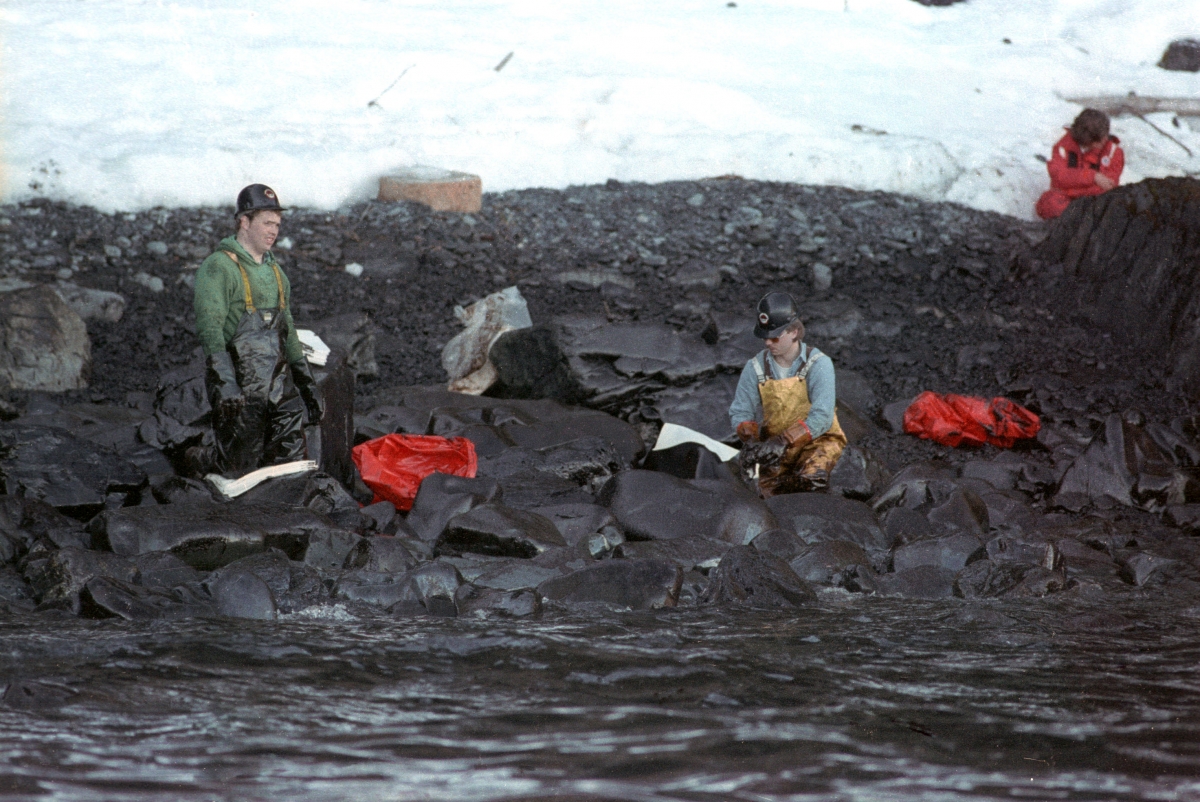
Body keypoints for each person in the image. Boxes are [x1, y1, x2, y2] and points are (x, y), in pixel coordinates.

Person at [187, 183, 323, 476]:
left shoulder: (277, 273)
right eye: (266, 223)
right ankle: (194, 458)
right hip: (238, 386)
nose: (273, 231)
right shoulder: (219, 267)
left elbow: (287, 330)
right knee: (238, 468)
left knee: (289, 464)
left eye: (277, 224)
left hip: (277, 385)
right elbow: (210, 329)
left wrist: (306, 384)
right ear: (244, 222)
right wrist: (225, 383)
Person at [729, 291, 846, 497]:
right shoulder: (755, 367)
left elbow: (823, 416)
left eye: (774, 337)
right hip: (773, 451)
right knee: (766, 496)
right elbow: (741, 411)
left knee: (811, 480)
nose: (767, 343)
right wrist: (750, 441)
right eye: (764, 337)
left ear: (793, 332)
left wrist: (784, 440)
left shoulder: (818, 364)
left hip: (818, 440)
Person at [1035, 108, 1124, 220]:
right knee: (1048, 203)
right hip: (1067, 202)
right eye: (1100, 140)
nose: (1104, 140)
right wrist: (1093, 177)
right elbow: (1059, 178)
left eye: (1105, 136)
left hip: (1095, 204)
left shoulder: (1114, 153)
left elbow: (1107, 188)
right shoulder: (1063, 146)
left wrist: (1071, 184)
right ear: (1086, 140)